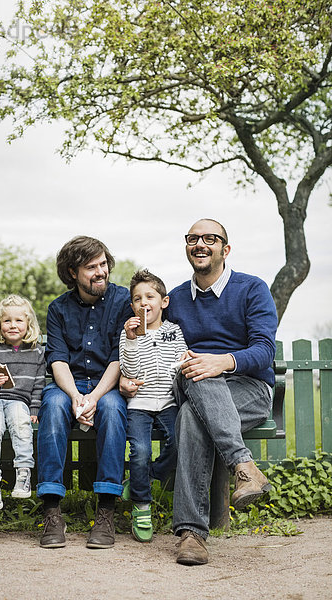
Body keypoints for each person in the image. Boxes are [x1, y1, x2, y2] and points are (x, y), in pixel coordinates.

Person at [120, 218, 278, 565]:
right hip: (192, 381)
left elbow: (265, 350)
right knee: (193, 368)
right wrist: (123, 374)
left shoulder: (252, 289)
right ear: (187, 247)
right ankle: (244, 467)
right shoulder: (174, 298)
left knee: (192, 413)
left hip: (248, 389)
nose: (200, 244)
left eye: (210, 238)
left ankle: (191, 533)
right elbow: (149, 337)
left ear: (226, 248)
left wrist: (221, 362)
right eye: (193, 238)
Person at [37, 235, 133, 550]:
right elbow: (58, 359)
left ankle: (105, 511)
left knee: (113, 409)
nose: (100, 271)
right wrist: (77, 396)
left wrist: (93, 398)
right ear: (73, 273)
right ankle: (52, 511)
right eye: (91, 267)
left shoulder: (122, 301)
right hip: (69, 384)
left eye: (103, 264)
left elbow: (121, 357)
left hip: (107, 383)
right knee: (52, 406)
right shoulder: (58, 309)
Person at [119, 269, 187, 543]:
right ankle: (142, 505)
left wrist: (183, 362)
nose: (144, 302)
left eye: (150, 296)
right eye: (137, 298)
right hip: (140, 403)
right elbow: (129, 369)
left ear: (164, 302)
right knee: (141, 451)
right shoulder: (129, 333)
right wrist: (133, 339)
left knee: (178, 441)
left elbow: (181, 361)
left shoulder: (174, 331)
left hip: (168, 402)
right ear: (132, 305)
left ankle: (142, 480)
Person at [0, 294, 46, 513]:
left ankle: (23, 474)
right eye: (7, 321)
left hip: (18, 402)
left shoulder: (36, 352)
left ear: (28, 324)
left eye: (19, 320)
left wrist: (34, 409)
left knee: (21, 424)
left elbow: (38, 385)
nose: (13, 325)